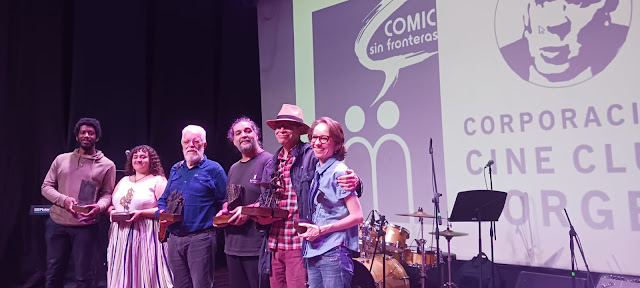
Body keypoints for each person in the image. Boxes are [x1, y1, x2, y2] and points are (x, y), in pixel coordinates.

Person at [254, 104, 361, 288]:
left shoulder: (311, 156)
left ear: (299, 130)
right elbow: (266, 199)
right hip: (276, 243)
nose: (281, 130)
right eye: (278, 126)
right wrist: (257, 213)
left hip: (302, 243)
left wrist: (357, 181)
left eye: (287, 125)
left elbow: (345, 182)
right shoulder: (272, 163)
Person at [41, 117, 116, 288]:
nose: (86, 135)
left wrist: (99, 207)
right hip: (57, 224)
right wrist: (64, 200)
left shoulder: (107, 165)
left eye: (91, 133)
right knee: (54, 272)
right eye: (83, 132)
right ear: (77, 136)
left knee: (84, 276)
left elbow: (107, 194)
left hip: (86, 227)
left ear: (97, 137)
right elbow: (46, 186)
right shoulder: (61, 159)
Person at [156, 124, 227, 288]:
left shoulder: (214, 169)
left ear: (205, 144)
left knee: (201, 285)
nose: (191, 146)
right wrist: (161, 213)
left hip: (201, 238)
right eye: (187, 142)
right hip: (174, 239)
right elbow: (163, 199)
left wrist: (224, 211)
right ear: (181, 144)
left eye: (196, 142)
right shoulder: (176, 168)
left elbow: (224, 200)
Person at [499, 0, 629, 86]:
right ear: (526, 15)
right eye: (541, 1)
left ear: (607, 8)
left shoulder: (628, 52)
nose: (554, 23)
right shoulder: (501, 59)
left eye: (578, 2)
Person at [298, 117, 363, 288]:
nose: (317, 143)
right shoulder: (318, 171)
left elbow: (357, 216)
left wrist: (321, 230)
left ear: (337, 143)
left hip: (333, 251)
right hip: (314, 250)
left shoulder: (339, 172)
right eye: (314, 137)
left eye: (324, 138)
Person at [213, 117, 273, 288]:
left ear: (256, 134)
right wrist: (224, 211)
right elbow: (228, 200)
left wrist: (247, 211)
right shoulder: (233, 168)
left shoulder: (268, 161)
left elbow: (270, 200)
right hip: (232, 246)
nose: (244, 135)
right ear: (233, 140)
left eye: (248, 131)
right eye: (238, 133)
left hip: (257, 247)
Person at [106, 145, 172, 288]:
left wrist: (141, 213)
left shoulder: (158, 180)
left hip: (145, 233)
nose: (138, 160)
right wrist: (111, 211)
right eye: (135, 157)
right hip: (121, 234)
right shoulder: (124, 181)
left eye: (143, 157)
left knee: (144, 270)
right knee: (123, 272)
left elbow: (165, 209)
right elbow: (112, 204)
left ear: (151, 161)